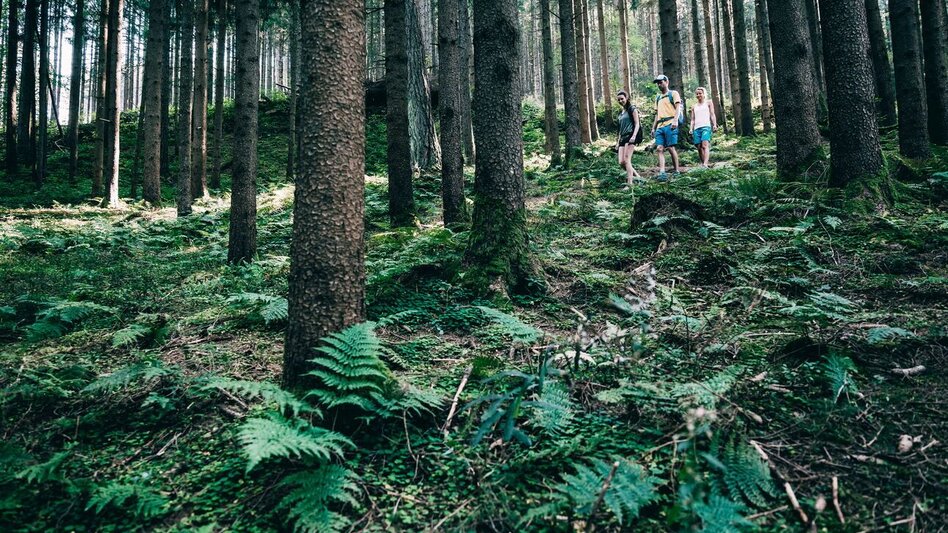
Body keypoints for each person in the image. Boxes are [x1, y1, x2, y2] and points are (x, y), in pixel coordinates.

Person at [649, 74, 682, 180]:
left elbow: (678, 108)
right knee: (659, 148)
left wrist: (675, 121)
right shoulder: (658, 98)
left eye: (661, 82)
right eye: (658, 83)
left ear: (667, 82)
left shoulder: (673, 93)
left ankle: (676, 170)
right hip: (660, 126)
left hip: (670, 123)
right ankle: (662, 172)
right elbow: (657, 114)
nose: (659, 84)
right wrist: (653, 128)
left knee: (671, 148)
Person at [616, 90, 641, 188]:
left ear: (626, 98)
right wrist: (617, 142)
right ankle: (638, 177)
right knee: (621, 162)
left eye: (622, 99)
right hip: (622, 138)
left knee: (627, 160)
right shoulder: (621, 113)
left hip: (630, 136)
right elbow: (619, 129)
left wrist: (634, 136)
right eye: (618, 99)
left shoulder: (632, 109)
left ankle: (629, 184)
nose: (620, 101)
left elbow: (637, 123)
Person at [690, 87, 717, 168]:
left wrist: (714, 125)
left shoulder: (708, 103)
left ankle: (705, 164)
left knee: (705, 145)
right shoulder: (694, 106)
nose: (698, 95)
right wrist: (691, 128)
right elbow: (692, 119)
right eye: (697, 94)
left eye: (700, 93)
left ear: (704, 94)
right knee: (699, 147)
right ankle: (704, 165)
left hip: (706, 126)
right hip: (696, 128)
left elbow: (712, 114)